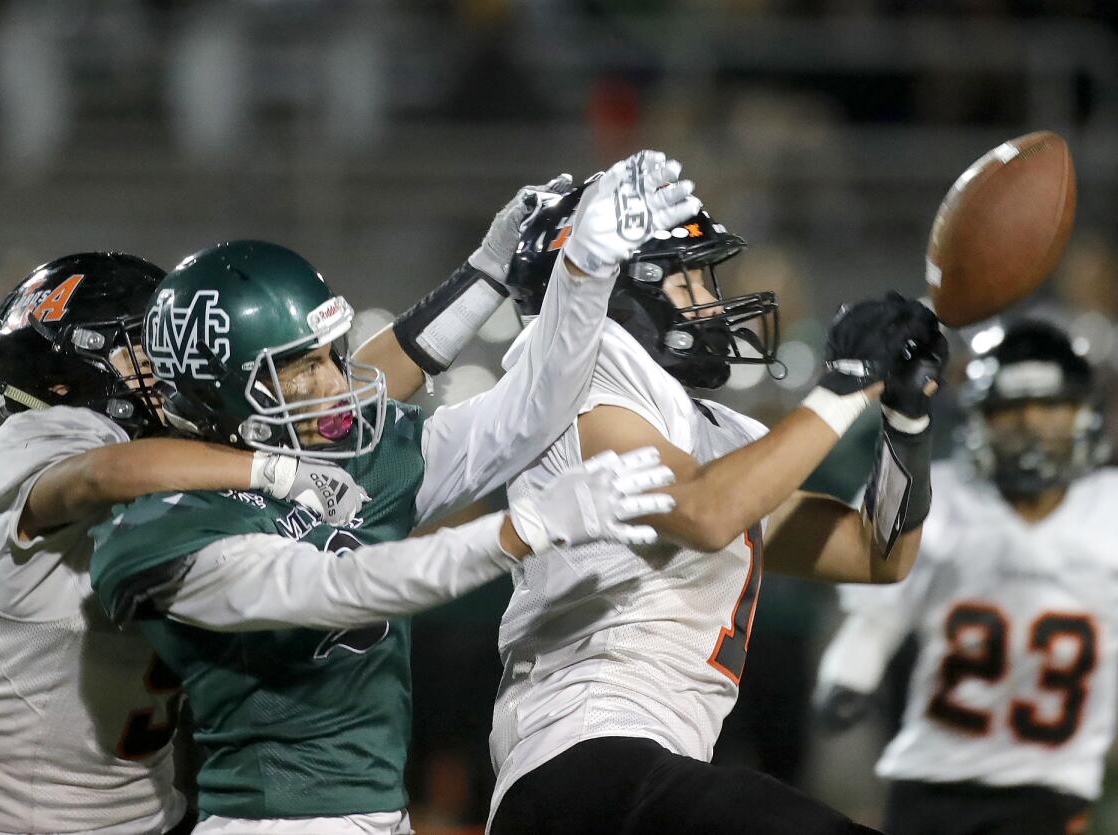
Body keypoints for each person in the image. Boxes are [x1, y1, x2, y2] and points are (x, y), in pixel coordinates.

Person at [0, 171, 576, 834]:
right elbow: (96, 476)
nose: (162, 365)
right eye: (138, 352)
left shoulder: (179, 451)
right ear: (63, 377)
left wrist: (482, 275)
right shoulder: (54, 441)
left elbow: (330, 403)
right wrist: (274, 469)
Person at [85, 150, 702, 834]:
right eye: (302, 370)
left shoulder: (350, 454)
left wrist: (585, 272)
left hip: (381, 815)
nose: (334, 383)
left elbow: (526, 413)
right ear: (218, 389)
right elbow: (349, 585)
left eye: (331, 355)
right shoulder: (166, 521)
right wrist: (521, 529)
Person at [482, 185, 948, 835]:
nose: (714, 303)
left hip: (644, 778)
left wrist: (906, 419)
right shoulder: (574, 398)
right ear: (620, 291)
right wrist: (843, 390)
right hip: (583, 765)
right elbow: (706, 512)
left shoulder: (701, 440)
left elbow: (878, 552)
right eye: (691, 280)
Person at [815, 319, 1113, 835]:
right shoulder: (944, 499)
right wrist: (850, 673)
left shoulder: (1108, 508)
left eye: (1050, 406)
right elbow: (876, 619)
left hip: (1051, 782)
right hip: (929, 770)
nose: (1032, 424)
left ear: (1083, 412)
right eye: (1010, 410)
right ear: (979, 419)